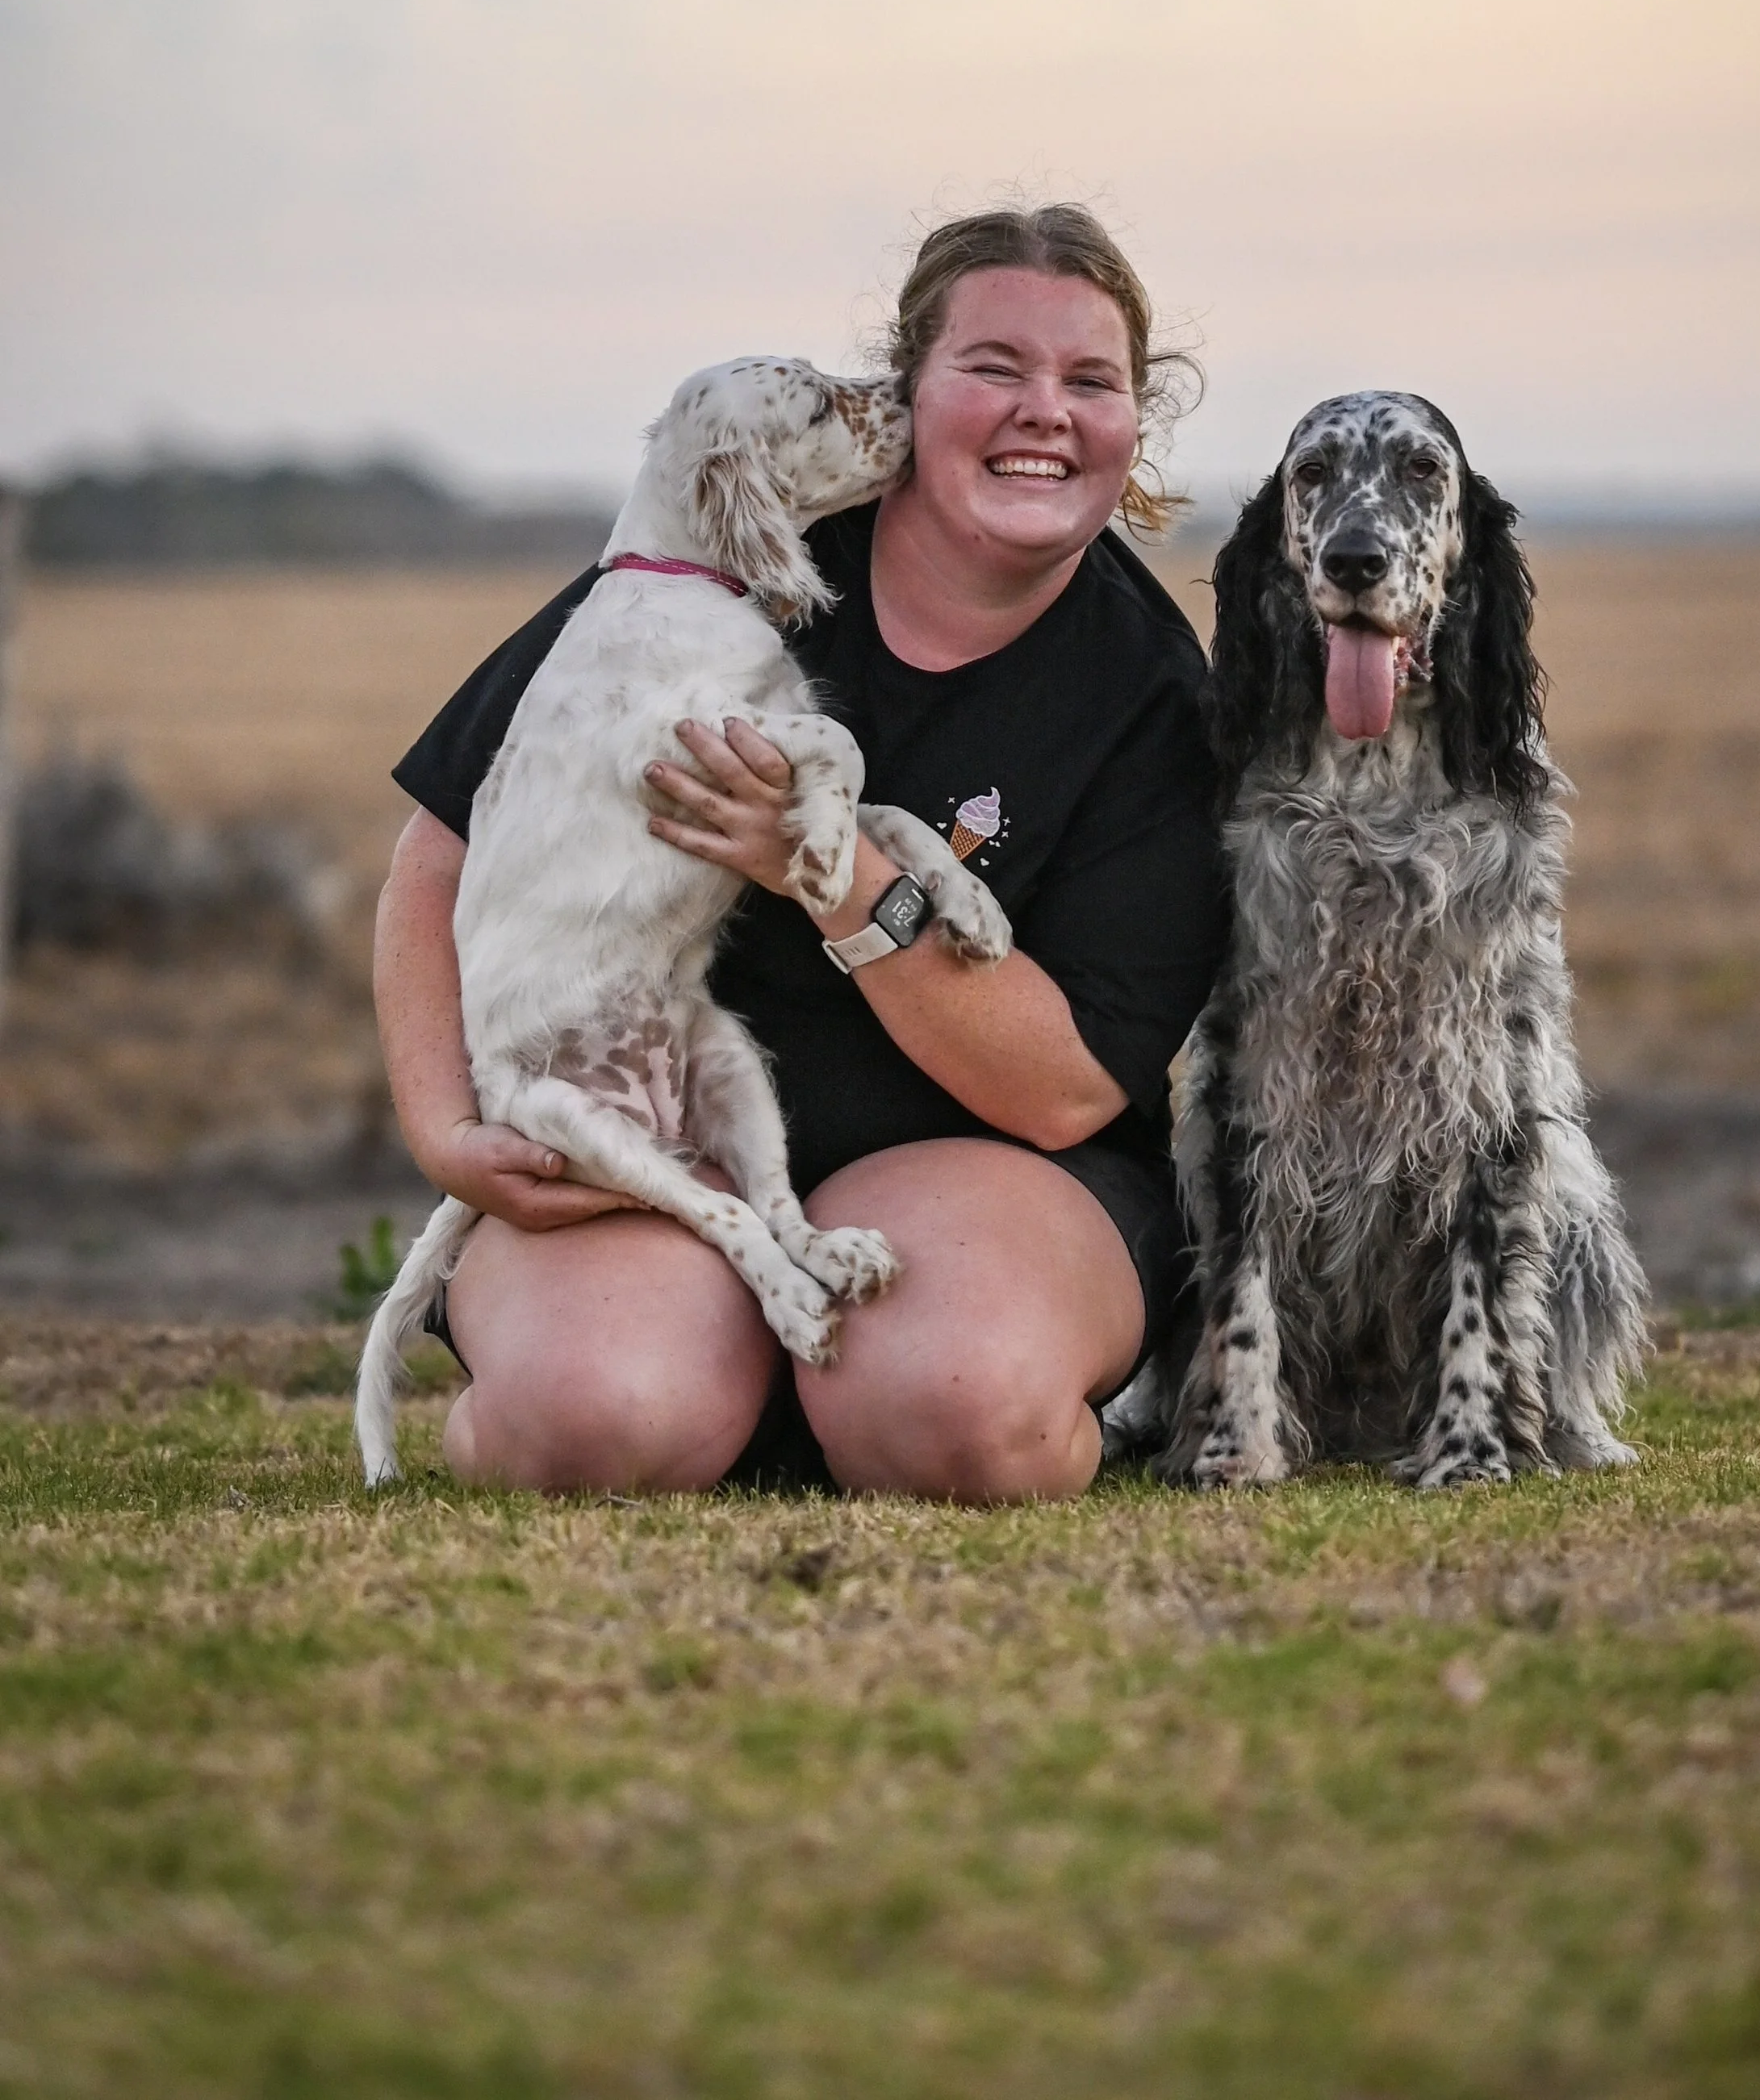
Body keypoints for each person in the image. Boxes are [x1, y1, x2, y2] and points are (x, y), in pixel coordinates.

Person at [378, 203, 1227, 1502]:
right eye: (993, 366)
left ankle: (952, 1393)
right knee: (592, 1420)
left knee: (956, 1412)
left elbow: (1066, 1089)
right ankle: (708, 1376)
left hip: (988, 1163)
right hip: (666, 1134)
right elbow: (439, 851)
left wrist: (835, 878)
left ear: (1132, 422)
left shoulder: (1153, 691)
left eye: (1090, 381)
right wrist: (446, 1129)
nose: (1043, 411)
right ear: (908, 389)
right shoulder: (724, 549)